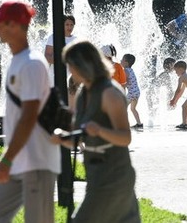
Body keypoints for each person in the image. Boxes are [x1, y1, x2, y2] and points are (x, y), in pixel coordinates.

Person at [0, 1, 61, 223]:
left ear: (15, 25)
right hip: (19, 160)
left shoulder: (33, 63)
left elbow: (29, 116)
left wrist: (6, 159)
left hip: (37, 161)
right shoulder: (18, 60)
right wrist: (10, 157)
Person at [51, 40, 141, 223]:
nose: (70, 71)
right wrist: (62, 138)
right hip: (95, 174)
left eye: (71, 66)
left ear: (84, 65)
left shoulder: (110, 93)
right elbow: (83, 137)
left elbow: (125, 138)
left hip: (114, 176)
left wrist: (100, 130)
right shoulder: (83, 93)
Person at [44, 13, 76, 85]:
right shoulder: (53, 37)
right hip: (55, 75)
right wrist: (62, 61)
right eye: (67, 24)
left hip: (71, 75)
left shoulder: (76, 39)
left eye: (71, 25)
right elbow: (47, 56)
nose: (69, 27)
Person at [146, 57, 175, 121]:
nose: (175, 68)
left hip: (150, 94)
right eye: (174, 65)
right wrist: (171, 101)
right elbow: (170, 90)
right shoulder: (166, 75)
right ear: (169, 65)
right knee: (153, 113)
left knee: (152, 113)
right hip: (152, 95)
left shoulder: (162, 73)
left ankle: (151, 124)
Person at [121, 53, 143, 130]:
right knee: (133, 109)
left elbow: (125, 82)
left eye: (122, 60)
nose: (120, 61)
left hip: (132, 93)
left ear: (126, 63)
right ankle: (139, 123)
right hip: (137, 92)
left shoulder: (125, 70)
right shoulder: (131, 70)